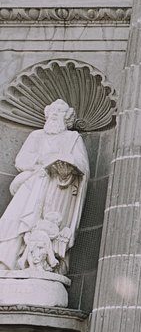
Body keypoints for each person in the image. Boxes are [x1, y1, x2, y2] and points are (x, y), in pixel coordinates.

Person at [0, 99, 89, 275]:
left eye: (60, 111)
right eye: (52, 110)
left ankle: (46, 267)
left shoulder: (72, 138)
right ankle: (7, 263)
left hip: (58, 190)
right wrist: (42, 161)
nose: (55, 114)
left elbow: (83, 166)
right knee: (13, 220)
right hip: (32, 183)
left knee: (47, 228)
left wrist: (66, 169)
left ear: (67, 118)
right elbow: (20, 161)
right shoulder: (36, 136)